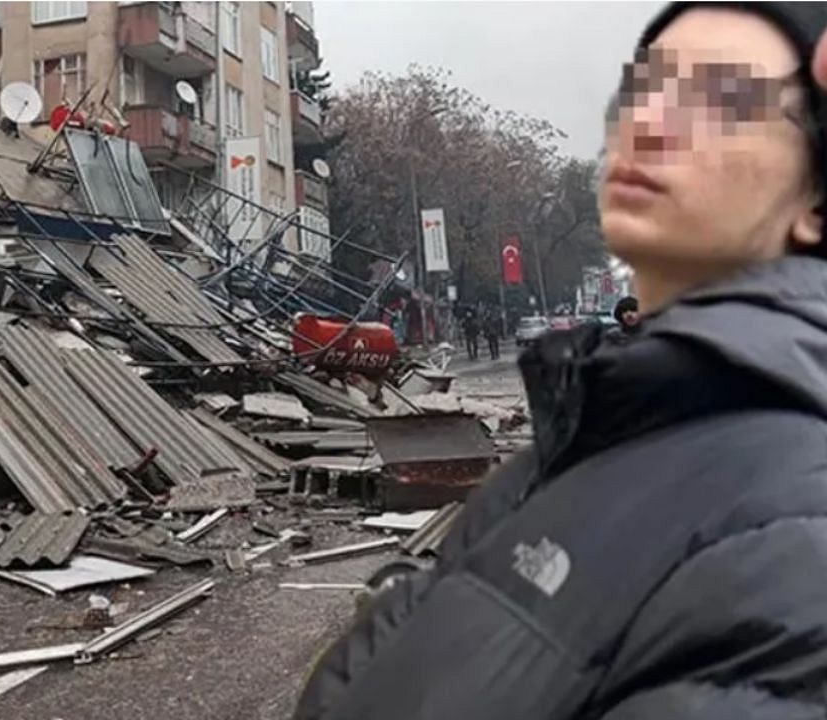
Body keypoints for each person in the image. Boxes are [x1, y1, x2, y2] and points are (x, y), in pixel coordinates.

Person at [295, 5, 827, 719]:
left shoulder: (798, 526)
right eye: (644, 89)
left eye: (722, 98)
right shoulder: (591, 432)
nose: (649, 122)